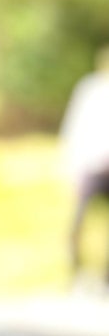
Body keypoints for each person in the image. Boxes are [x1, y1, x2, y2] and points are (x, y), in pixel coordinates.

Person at [61, 46, 109, 279]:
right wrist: (72, 168)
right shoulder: (90, 90)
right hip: (92, 167)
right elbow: (75, 129)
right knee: (78, 220)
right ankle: (75, 269)